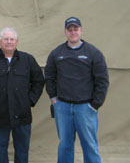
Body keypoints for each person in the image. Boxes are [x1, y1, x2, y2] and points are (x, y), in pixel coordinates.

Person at [45, 17, 109, 163]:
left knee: (90, 145)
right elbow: (49, 76)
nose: (73, 32)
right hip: (63, 107)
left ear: (81, 30)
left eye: (76, 29)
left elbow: (102, 80)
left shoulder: (93, 53)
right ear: (65, 32)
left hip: (85, 108)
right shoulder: (56, 53)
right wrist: (54, 99)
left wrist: (95, 105)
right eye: (70, 29)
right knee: (65, 145)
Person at [0, 27, 44, 163]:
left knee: (22, 149)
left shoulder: (27, 60)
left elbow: (39, 81)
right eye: (5, 39)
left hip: (22, 114)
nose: (8, 42)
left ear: (17, 42)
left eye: (11, 39)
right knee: (0, 150)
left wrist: (29, 100)